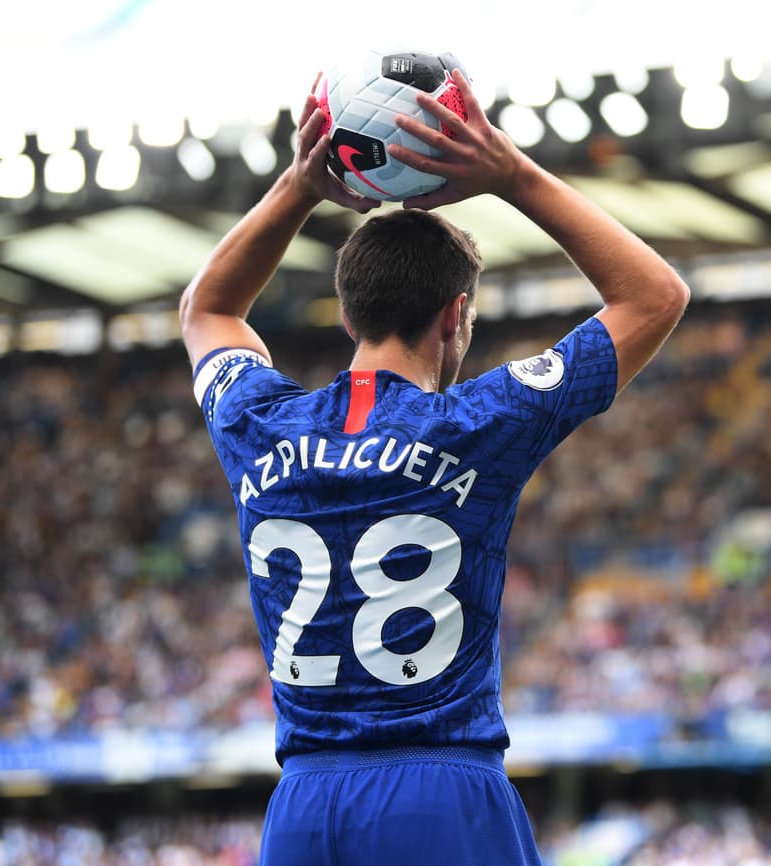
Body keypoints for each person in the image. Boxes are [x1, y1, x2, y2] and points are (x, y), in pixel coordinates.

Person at [179, 69, 689, 865]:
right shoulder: (479, 424)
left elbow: (208, 310)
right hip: (444, 793)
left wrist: (300, 183)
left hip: (304, 809)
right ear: (456, 316)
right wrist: (510, 172)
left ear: (348, 314)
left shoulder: (257, 423)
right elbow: (655, 294)